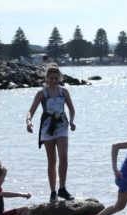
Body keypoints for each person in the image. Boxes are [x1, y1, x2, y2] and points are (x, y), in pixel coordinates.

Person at [26, 63, 76, 202]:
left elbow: (72, 109)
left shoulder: (63, 92)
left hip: (61, 125)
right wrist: (29, 122)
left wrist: (71, 121)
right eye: (51, 78)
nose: (53, 81)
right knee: (52, 160)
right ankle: (53, 192)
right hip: (47, 127)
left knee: (64, 156)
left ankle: (62, 189)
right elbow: (31, 111)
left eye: (56, 78)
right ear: (46, 79)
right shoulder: (42, 93)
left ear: (59, 78)